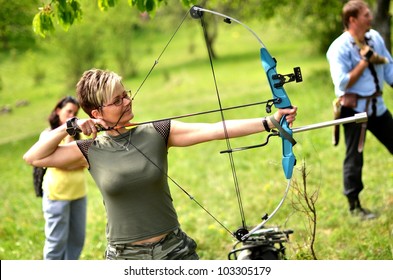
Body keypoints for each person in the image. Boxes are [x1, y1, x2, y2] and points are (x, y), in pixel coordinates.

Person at [23, 68, 297, 260]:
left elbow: (216, 128)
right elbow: (34, 157)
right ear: (97, 113)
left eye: (125, 94)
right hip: (125, 257)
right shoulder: (89, 148)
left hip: (174, 250)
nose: (127, 101)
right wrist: (68, 127)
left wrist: (270, 122)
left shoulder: (158, 132)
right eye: (117, 100)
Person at [326, 0, 393, 220]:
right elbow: (343, 83)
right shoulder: (339, 48)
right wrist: (364, 62)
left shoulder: (375, 38)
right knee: (354, 158)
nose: (370, 17)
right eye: (365, 14)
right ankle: (354, 206)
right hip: (354, 112)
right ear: (352, 19)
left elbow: (388, 68)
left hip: (378, 108)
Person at [39, 96, 87, 259]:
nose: (72, 115)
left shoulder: (80, 136)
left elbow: (86, 160)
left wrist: (68, 162)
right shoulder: (47, 136)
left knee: (77, 241)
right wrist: (72, 160)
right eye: (69, 111)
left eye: (75, 113)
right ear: (58, 111)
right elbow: (59, 163)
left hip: (79, 194)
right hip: (57, 195)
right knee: (56, 242)